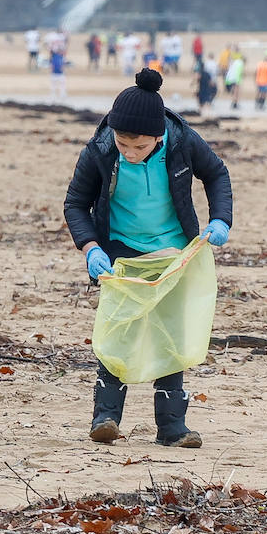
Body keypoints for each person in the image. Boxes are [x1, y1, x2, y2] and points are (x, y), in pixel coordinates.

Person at [64, 69, 233, 448]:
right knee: (119, 328)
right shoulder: (101, 150)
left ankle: (172, 428)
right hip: (120, 249)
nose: (129, 152)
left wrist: (220, 220)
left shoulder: (182, 141)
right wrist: (91, 248)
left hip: (174, 250)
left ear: (158, 136)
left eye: (138, 147)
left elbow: (217, 174)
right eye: (123, 144)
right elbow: (75, 203)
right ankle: (105, 418)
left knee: (170, 331)